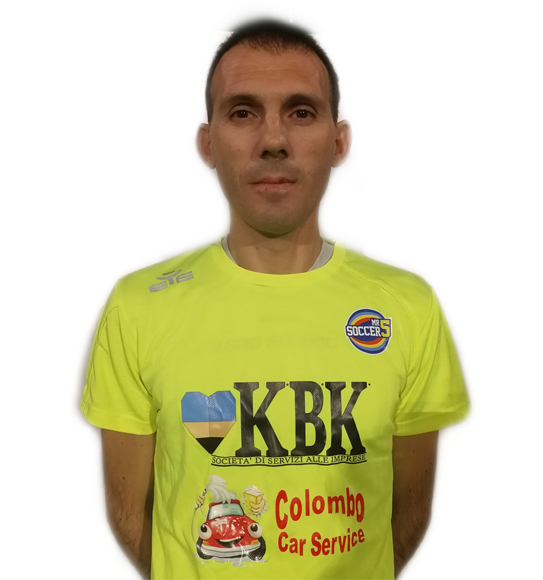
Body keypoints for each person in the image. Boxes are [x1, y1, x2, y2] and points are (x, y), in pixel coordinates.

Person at [80, 17, 470, 580]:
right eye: (243, 112)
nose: (273, 140)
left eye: (301, 112)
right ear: (208, 143)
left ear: (339, 142)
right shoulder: (138, 306)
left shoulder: (407, 307)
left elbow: (405, 515)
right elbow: (129, 514)